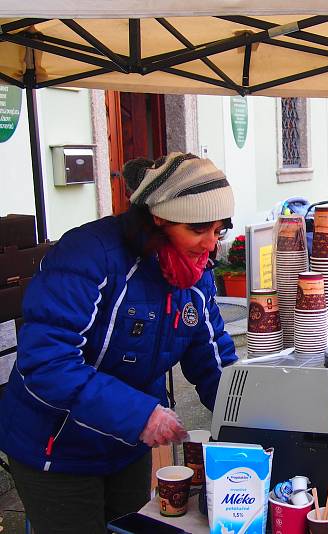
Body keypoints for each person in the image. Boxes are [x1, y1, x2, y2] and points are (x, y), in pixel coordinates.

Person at [0, 152, 239, 533]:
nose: (210, 245)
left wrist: (246, 415)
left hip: (125, 445)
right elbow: (47, 364)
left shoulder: (195, 274)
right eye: (199, 230)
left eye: (219, 230)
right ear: (160, 218)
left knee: (130, 527)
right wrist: (141, 415)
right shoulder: (87, 256)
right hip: (56, 445)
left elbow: (212, 357)